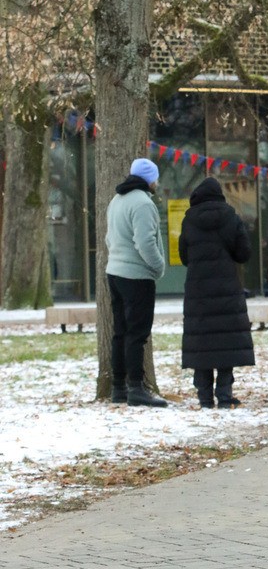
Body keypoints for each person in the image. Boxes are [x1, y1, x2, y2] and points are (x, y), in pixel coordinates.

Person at [179, 177, 254, 408]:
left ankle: (204, 398)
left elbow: (184, 256)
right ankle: (224, 395)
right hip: (226, 289)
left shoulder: (188, 221)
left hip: (198, 291)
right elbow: (243, 253)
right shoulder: (230, 216)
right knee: (225, 342)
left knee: (202, 344)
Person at [106, 158, 167, 407]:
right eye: (155, 178)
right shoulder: (143, 203)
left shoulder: (117, 200)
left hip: (115, 272)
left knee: (120, 333)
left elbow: (110, 237)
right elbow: (145, 242)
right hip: (137, 276)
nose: (156, 182)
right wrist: (159, 266)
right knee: (137, 334)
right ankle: (136, 388)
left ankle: (118, 387)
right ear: (149, 179)